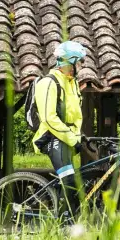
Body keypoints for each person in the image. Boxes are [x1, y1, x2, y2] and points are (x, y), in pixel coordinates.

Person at [31, 40, 87, 182]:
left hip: (67, 138)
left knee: (74, 183)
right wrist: (71, 138)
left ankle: (63, 202)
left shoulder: (72, 82)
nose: (81, 66)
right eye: (80, 62)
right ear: (71, 62)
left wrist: (78, 136)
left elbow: (74, 114)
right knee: (69, 181)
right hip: (52, 137)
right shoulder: (49, 82)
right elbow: (49, 118)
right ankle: (55, 203)